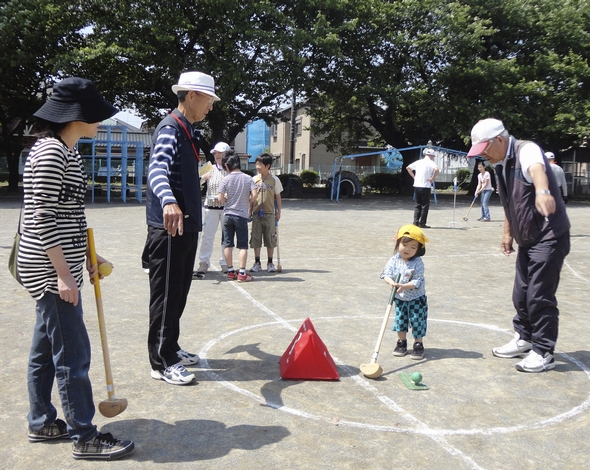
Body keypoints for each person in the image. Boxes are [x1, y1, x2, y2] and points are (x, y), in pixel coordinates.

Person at [18, 77, 134, 460]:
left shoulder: (64, 151)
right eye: (96, 115)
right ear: (76, 117)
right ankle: (84, 435)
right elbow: (41, 217)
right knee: (73, 353)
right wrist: (64, 274)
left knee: (45, 347)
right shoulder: (51, 153)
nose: (101, 121)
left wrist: (88, 257)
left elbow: (69, 215)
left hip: (58, 264)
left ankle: (41, 421)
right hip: (51, 270)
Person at [467, 118, 570, 373]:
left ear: (499, 140)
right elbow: (509, 204)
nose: (484, 157)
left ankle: (544, 351)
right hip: (527, 240)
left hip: (549, 237)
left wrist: (543, 191)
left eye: (484, 150)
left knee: (539, 295)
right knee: (521, 293)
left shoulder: (526, 150)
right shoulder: (500, 166)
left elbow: (537, 170)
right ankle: (524, 338)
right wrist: (507, 233)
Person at [146, 71, 219, 385]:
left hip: (186, 226)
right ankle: (161, 362)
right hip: (170, 227)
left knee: (179, 294)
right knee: (166, 295)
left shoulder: (189, 130)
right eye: (208, 100)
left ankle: (171, 347)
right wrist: (168, 201)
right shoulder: (170, 128)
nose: (211, 107)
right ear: (192, 95)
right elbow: (157, 169)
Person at [380, 225, 429, 360]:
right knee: (400, 321)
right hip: (400, 298)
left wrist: (404, 285)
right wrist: (391, 283)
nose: (407, 249)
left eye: (413, 247)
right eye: (404, 244)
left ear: (418, 250)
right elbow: (385, 274)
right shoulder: (393, 260)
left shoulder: (417, 262)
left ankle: (418, 345)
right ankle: (401, 343)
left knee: (417, 321)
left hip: (416, 299)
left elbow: (417, 281)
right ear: (398, 243)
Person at [217, 154, 259, 282]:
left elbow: (220, 198)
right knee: (242, 245)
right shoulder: (248, 178)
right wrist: (248, 201)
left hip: (228, 214)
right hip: (241, 215)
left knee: (228, 244)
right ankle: (241, 273)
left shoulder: (226, 179)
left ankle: (230, 271)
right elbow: (255, 195)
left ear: (227, 166)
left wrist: (226, 198)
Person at [193, 142, 230, 278]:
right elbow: (194, 181)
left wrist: (228, 195)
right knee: (207, 236)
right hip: (210, 207)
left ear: (226, 154)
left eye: (220, 153)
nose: (217, 155)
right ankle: (203, 263)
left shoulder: (231, 169)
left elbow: (237, 185)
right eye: (215, 153)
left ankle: (226, 262)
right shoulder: (208, 167)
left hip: (227, 207)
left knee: (227, 236)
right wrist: (203, 178)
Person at [249, 153, 283, 273]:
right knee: (256, 238)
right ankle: (257, 262)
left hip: (269, 213)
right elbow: (251, 197)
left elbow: (278, 196)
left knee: (270, 238)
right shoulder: (253, 179)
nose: (257, 166)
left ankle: (270, 262)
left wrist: (278, 212)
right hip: (256, 213)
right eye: (257, 164)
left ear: (267, 166)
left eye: (260, 164)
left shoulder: (274, 180)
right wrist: (249, 211)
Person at [406, 148, 439, 228]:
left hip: (417, 185)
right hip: (426, 186)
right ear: (431, 156)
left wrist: (414, 177)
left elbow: (408, 168)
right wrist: (432, 178)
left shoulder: (419, 162)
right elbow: (436, 169)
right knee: (425, 205)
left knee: (417, 204)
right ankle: (422, 223)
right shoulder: (431, 162)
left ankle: (415, 222)